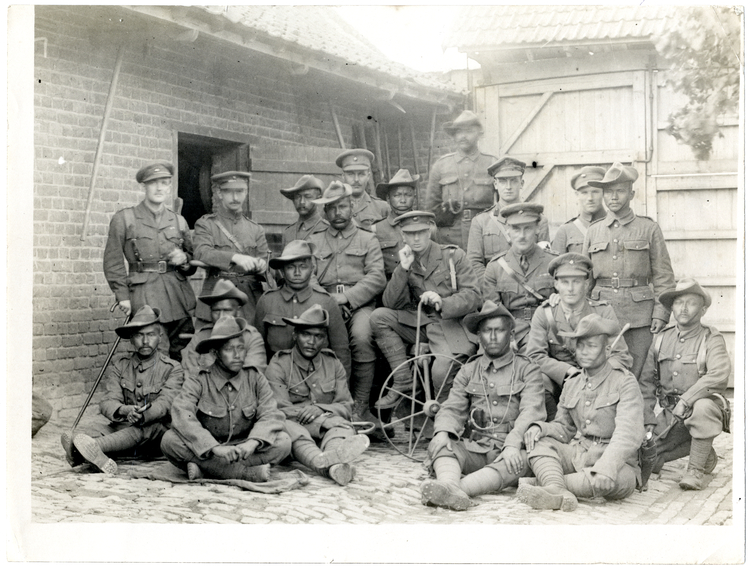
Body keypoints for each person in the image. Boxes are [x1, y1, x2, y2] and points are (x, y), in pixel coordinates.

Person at [420, 301, 546, 510]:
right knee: (445, 448)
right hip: (477, 449)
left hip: (512, 451)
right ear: (479, 336)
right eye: (487, 331)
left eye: (499, 331)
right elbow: (453, 407)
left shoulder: (527, 369)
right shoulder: (469, 370)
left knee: (520, 462)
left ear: (512, 335)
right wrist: (442, 431)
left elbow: (531, 411)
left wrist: (513, 444)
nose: (493, 337)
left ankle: (456, 490)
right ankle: (449, 486)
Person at [519, 314, 644, 511]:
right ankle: (557, 490)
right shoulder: (573, 382)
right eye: (580, 346)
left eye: (592, 346)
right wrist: (540, 428)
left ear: (607, 349)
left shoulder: (624, 381)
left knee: (618, 481)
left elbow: (628, 433)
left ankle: (546, 486)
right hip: (580, 453)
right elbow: (564, 428)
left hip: (617, 462)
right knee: (540, 443)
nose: (584, 352)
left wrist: (606, 467)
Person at [370, 211, 481, 409]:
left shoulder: (453, 255)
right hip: (422, 324)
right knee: (379, 317)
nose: (416, 238)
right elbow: (390, 303)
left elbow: (473, 296)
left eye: (421, 232)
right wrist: (402, 269)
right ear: (403, 236)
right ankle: (403, 380)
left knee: (442, 370)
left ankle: (446, 417)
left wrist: (443, 302)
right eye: (410, 234)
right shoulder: (407, 261)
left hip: (452, 325)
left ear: (429, 231)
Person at [160, 316, 292, 482]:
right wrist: (213, 447)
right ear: (216, 353)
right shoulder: (198, 380)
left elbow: (271, 414)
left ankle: (209, 468)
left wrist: (252, 443)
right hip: (208, 448)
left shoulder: (255, 378)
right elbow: (182, 415)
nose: (237, 355)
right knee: (169, 441)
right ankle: (245, 472)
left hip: (244, 449)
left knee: (284, 441)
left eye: (241, 348)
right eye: (229, 349)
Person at [61, 306, 184, 474]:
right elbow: (107, 401)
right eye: (139, 335)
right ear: (132, 339)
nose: (145, 341)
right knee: (93, 428)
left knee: (147, 427)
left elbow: (166, 403)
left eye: (151, 335)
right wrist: (125, 410)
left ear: (160, 337)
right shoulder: (120, 366)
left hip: (155, 437)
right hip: (124, 428)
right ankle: (88, 452)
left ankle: (90, 449)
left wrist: (143, 415)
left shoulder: (172, 368)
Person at [582, 162, 676, 380]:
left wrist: (661, 313)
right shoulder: (594, 231)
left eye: (620, 191)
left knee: (637, 375)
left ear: (632, 194)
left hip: (639, 318)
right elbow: (585, 279)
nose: (613, 197)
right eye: (608, 192)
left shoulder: (648, 228)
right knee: (602, 372)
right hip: (601, 312)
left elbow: (663, 276)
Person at [639, 279, 731, 491]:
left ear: (703, 309)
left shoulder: (711, 338)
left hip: (700, 408)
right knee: (643, 451)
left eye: (691, 303)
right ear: (672, 307)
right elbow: (645, 383)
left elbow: (718, 375)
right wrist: (647, 419)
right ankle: (704, 452)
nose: (684, 308)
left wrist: (687, 400)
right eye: (679, 302)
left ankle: (696, 470)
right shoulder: (661, 339)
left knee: (703, 408)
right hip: (671, 412)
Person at [265, 305, 370, 486]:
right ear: (295, 335)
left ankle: (334, 462)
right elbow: (279, 409)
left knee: (343, 427)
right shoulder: (279, 363)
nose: (312, 342)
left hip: (328, 429)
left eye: (318, 336)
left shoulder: (333, 363)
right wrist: (321, 421)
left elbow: (345, 405)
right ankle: (326, 465)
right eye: (306, 334)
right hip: (295, 429)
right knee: (290, 429)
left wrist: (319, 409)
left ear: (325, 340)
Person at [308, 182, 386, 421]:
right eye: (331, 208)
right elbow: (308, 276)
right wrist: (328, 301)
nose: (337, 213)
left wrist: (346, 298)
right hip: (323, 304)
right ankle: (329, 406)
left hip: (360, 304)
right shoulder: (314, 240)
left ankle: (360, 407)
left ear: (352, 206)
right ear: (324, 212)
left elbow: (377, 277)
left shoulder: (367, 239)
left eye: (342, 206)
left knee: (362, 337)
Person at [103, 162, 196, 361]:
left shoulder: (179, 221)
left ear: (170, 186)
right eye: (153, 183)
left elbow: (191, 263)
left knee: (178, 350)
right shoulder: (125, 219)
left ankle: (174, 390)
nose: (159, 188)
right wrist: (122, 295)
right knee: (154, 348)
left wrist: (185, 259)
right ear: (144, 186)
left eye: (164, 183)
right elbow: (113, 261)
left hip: (178, 296)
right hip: (145, 294)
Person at [526, 253, 632, 420]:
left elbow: (621, 356)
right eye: (564, 282)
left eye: (576, 281)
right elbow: (534, 355)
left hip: (598, 382)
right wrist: (568, 372)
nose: (570, 288)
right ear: (556, 284)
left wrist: (597, 374)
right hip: (560, 381)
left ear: (587, 283)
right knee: (537, 378)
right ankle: (554, 424)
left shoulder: (603, 311)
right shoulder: (545, 313)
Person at [254, 240, 351, 376]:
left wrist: (341, 391)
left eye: (303, 266)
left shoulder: (326, 301)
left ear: (312, 269)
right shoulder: (267, 300)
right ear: (282, 270)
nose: (297, 272)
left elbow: (341, 351)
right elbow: (257, 350)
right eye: (291, 267)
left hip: (318, 379)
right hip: (276, 378)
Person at [193, 171, 269, 329]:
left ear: (246, 192)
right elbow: (202, 252)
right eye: (229, 192)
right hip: (216, 295)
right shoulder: (206, 224)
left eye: (240, 192)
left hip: (249, 299)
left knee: (249, 343)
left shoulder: (255, 229)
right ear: (220, 193)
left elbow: (266, 262)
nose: (235, 198)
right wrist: (235, 257)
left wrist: (262, 265)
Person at [482, 203, 557, 352]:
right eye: (516, 229)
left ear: (537, 228)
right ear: (507, 230)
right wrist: (507, 336)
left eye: (527, 228)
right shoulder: (495, 267)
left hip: (547, 329)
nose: (522, 236)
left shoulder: (554, 262)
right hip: (512, 331)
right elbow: (492, 311)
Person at [467, 157, 551, 280]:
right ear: (495, 184)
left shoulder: (539, 221)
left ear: (521, 183)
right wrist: (491, 287)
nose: (508, 186)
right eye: (502, 181)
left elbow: (544, 259)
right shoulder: (481, 222)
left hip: (529, 289)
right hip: (494, 290)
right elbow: (474, 263)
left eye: (513, 181)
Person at [425, 110, 497, 249]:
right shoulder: (441, 165)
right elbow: (431, 208)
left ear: (478, 134)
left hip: (485, 233)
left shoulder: (492, 163)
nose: (463, 136)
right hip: (449, 237)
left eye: (469, 131)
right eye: (458, 132)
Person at [181, 278, 267, 377]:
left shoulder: (251, 337)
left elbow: (253, 377)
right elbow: (189, 374)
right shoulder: (200, 337)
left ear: (238, 311)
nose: (221, 316)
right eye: (216, 310)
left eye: (227, 310)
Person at [373, 168, 420, 279]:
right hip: (391, 287)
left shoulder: (426, 224)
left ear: (414, 197)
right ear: (388, 198)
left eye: (407, 195)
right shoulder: (377, 229)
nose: (403, 200)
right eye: (397, 195)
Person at [551, 166, 607, 255]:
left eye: (595, 192)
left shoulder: (615, 225)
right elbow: (557, 266)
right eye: (584, 193)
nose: (590, 198)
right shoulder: (565, 231)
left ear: (604, 193)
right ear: (577, 195)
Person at [335, 148, 389, 230]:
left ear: (368, 176)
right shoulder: (334, 208)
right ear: (343, 176)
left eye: (361, 174)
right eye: (351, 174)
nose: (356, 179)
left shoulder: (382, 208)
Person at [280, 175, 328, 247]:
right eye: (297, 197)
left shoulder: (327, 229)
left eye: (308, 197)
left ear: (318, 199)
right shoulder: (288, 232)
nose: (302, 202)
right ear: (293, 200)